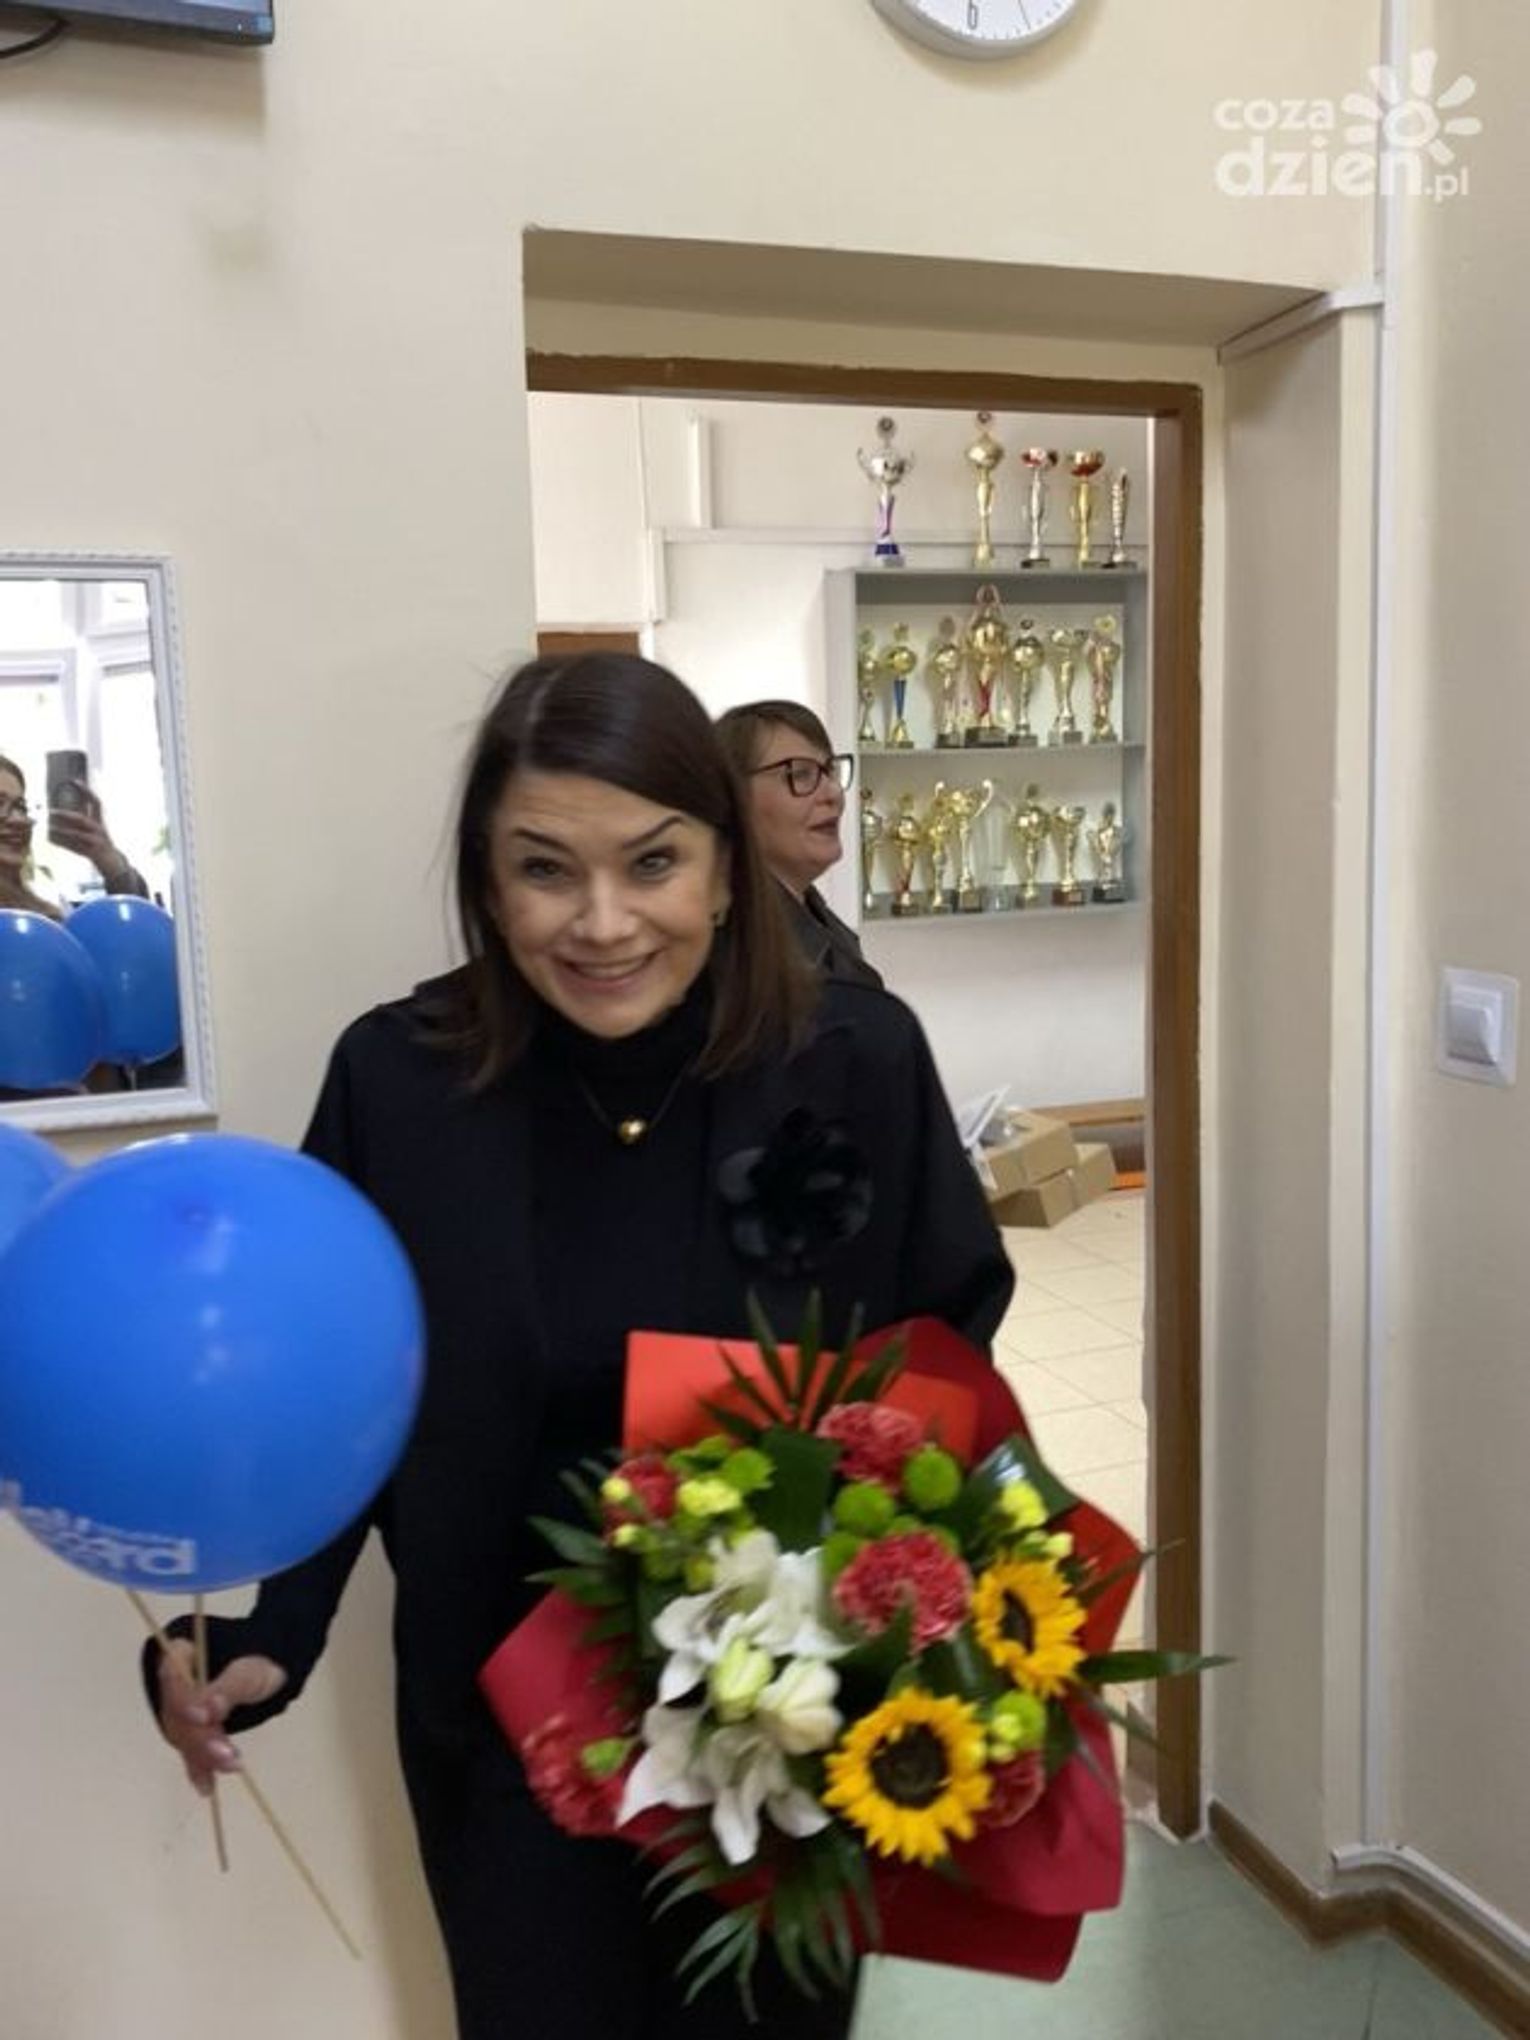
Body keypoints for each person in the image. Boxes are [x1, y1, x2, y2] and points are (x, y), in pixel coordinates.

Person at [147, 654, 1013, 2040]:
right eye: (545, 870)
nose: (603, 923)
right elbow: (344, 1385)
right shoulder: (400, 1081)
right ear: (489, 885)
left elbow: (947, 1337)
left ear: (722, 871)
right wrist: (275, 1631)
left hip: (784, 1711)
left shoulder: (855, 1056)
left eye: (652, 862)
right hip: (503, 1711)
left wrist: (910, 1608)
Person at [714, 700, 884, 988]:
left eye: (829, 771)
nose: (833, 793)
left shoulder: (815, 917)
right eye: (800, 774)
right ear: (734, 797)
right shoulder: (737, 954)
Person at [0, 751, 148, 918]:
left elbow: (140, 926)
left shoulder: (46, 917)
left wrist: (108, 858)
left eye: (21, 807)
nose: (19, 820)